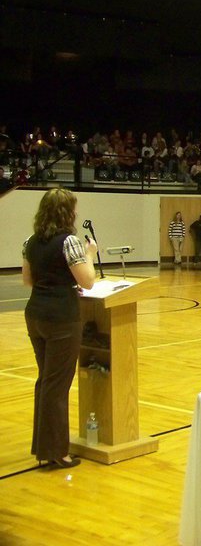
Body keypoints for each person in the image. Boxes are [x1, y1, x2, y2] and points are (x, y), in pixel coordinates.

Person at [22, 188, 97, 468]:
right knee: (57, 385)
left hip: (35, 315)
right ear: (67, 212)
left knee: (45, 381)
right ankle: (57, 452)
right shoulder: (70, 242)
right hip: (62, 318)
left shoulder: (30, 241)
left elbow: (29, 280)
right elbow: (88, 281)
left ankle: (43, 447)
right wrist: (90, 254)